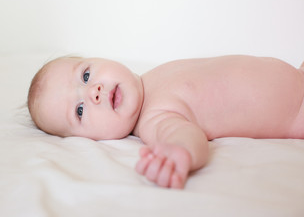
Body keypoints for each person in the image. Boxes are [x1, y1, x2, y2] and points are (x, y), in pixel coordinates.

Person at [27, 55, 304, 188]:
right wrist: (176, 153)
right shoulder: (153, 120)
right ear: (90, 140)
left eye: (86, 76)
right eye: (79, 110)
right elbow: (185, 136)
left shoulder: (151, 77)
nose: (92, 91)